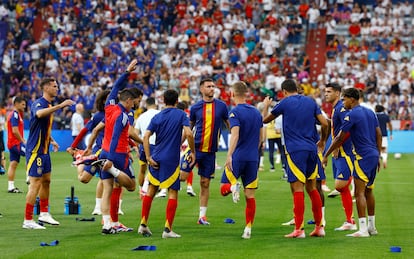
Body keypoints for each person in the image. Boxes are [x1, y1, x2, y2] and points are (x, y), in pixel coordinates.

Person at [263, 79, 329, 238]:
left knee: (297, 189)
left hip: (294, 150)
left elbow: (264, 120)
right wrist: (323, 141)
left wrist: (265, 105)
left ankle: (299, 229)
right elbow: (325, 123)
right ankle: (319, 227)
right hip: (312, 148)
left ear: (284, 91)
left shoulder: (284, 103)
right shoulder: (311, 102)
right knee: (312, 188)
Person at [323, 88, 381, 237]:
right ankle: (372, 227)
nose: (343, 102)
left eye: (344, 99)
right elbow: (378, 134)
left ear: (352, 99)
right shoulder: (370, 112)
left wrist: (326, 155)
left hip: (362, 156)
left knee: (359, 192)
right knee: (369, 191)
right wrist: (378, 154)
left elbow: (339, 138)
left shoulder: (352, 114)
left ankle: (362, 230)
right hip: (373, 154)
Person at [139, 89, 195, 238]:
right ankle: (167, 230)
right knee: (172, 192)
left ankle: (143, 224)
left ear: (163, 100)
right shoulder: (181, 114)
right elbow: (189, 133)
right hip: (171, 159)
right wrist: (193, 152)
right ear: (177, 101)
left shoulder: (158, 116)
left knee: (151, 190)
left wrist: (148, 156)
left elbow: (145, 136)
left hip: (156, 157)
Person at [97, 59, 143, 234]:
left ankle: (108, 224)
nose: (134, 105)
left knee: (108, 188)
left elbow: (115, 88)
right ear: (129, 100)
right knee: (131, 185)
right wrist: (111, 162)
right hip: (116, 154)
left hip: (104, 151)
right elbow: (117, 136)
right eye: (134, 102)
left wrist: (127, 71)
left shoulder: (109, 106)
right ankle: (114, 171)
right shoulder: (123, 115)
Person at [23, 78, 75, 229]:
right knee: (35, 184)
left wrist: (51, 140)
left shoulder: (49, 105)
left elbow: (41, 126)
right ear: (45, 87)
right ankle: (27, 220)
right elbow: (38, 114)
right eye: (54, 86)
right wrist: (60, 106)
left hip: (45, 151)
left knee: (46, 181)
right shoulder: (39, 103)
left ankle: (44, 213)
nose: (57, 88)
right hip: (35, 150)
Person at [179, 78, 229, 225]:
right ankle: (160, 185)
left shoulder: (222, 106)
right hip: (195, 149)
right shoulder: (195, 108)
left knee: (205, 183)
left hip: (210, 152)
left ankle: (202, 216)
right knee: (182, 177)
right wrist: (177, 144)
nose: (212, 88)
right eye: (209, 86)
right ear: (201, 89)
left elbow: (230, 124)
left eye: (213, 86)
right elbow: (189, 128)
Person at [220, 81, 263, 239]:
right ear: (246, 93)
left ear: (232, 94)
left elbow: (235, 135)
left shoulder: (234, 112)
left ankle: (233, 188)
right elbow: (261, 138)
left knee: (224, 187)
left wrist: (229, 154)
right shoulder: (256, 112)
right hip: (253, 158)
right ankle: (248, 229)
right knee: (250, 195)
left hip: (238, 156)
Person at [66, 90, 110, 216]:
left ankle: (98, 207)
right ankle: (80, 160)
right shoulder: (98, 116)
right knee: (84, 179)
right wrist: (73, 146)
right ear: (102, 101)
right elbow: (85, 130)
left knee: (104, 178)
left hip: (111, 152)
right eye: (107, 98)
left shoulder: (118, 114)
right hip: (99, 151)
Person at [324, 83, 357, 231]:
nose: (326, 94)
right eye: (325, 91)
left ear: (338, 93)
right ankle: (350, 221)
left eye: (329, 92)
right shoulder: (335, 109)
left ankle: (354, 221)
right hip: (339, 152)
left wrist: (336, 146)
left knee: (340, 186)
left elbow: (348, 128)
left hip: (345, 152)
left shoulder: (341, 108)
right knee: (342, 188)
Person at [134, 97, 160, 198]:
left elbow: (135, 134)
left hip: (143, 145)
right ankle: (145, 188)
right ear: (155, 103)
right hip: (156, 145)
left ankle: (141, 189)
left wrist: (137, 148)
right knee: (154, 168)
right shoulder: (159, 114)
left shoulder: (141, 116)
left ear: (146, 105)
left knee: (142, 169)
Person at [6, 96, 26, 193]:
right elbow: (15, 130)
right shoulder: (15, 115)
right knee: (31, 154)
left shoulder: (16, 115)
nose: (24, 106)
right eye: (22, 104)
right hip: (16, 143)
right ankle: (29, 178)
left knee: (13, 164)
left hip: (11, 143)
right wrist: (22, 140)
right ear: (16, 104)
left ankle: (10, 186)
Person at [375, 104, 392, 169]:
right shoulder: (386, 116)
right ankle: (384, 160)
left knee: (377, 149)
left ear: (376, 109)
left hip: (376, 135)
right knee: (384, 149)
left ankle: (378, 159)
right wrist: (391, 134)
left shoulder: (374, 116)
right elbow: (390, 125)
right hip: (384, 135)